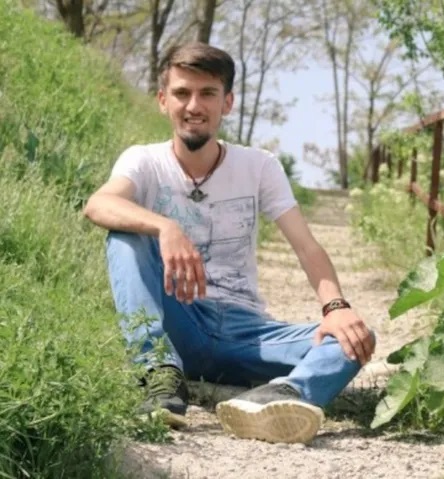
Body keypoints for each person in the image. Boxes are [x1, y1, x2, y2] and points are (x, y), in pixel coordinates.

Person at [82, 41, 376, 445]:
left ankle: (279, 398)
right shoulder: (144, 160)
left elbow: (307, 246)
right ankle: (159, 374)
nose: (194, 105)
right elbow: (99, 203)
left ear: (228, 102)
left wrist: (336, 307)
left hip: (247, 332)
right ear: (163, 100)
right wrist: (166, 227)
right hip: (179, 318)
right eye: (182, 93)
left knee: (354, 338)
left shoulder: (259, 166)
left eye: (208, 93)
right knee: (126, 236)